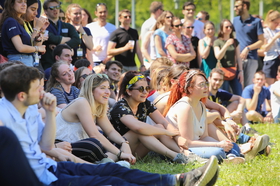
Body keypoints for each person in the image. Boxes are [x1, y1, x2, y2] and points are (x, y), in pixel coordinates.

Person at [0, 64, 220, 186]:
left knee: (111, 169)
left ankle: (175, 180)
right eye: (38, 88)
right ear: (21, 95)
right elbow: (95, 133)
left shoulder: (30, 110)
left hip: (53, 166)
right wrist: (120, 149)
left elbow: (46, 146)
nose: (43, 92)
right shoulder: (4, 120)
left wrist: (48, 114)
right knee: (110, 181)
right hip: (48, 175)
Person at [110, 71, 205, 163]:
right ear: (129, 91)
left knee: (159, 126)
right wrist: (166, 132)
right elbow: (138, 128)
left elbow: (164, 122)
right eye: (140, 89)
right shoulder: (120, 107)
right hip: (117, 150)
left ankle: (186, 154)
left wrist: (177, 137)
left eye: (147, 88)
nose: (145, 92)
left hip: (135, 152)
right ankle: (175, 156)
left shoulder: (144, 103)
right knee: (139, 132)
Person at [164, 69, 244, 161]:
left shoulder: (201, 105)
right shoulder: (184, 107)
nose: (206, 87)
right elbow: (188, 143)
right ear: (190, 89)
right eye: (202, 84)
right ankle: (231, 156)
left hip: (196, 145)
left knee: (232, 145)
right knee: (218, 152)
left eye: (206, 83)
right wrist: (218, 145)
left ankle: (231, 156)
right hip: (183, 149)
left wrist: (224, 144)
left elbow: (204, 137)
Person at [0, 0, 46, 66]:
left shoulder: (18, 22)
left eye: (25, 2)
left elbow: (31, 45)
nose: (24, 4)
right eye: (19, 2)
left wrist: (41, 30)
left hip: (25, 60)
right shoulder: (11, 21)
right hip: (19, 60)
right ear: (12, 5)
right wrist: (38, 48)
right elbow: (20, 48)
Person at [233, 0, 264, 87]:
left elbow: (261, 41)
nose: (234, 8)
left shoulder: (256, 22)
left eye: (237, 6)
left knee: (248, 86)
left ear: (244, 6)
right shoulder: (235, 20)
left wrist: (247, 48)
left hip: (251, 59)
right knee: (237, 86)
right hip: (237, 59)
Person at [41, 0, 79, 70]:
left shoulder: (68, 26)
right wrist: (68, 39)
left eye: (57, 7)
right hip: (48, 63)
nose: (55, 10)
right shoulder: (42, 25)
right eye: (52, 8)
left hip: (66, 65)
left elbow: (77, 40)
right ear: (46, 11)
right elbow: (52, 38)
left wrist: (61, 47)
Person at [213, 19, 243, 95]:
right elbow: (218, 56)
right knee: (223, 94)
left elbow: (238, 57)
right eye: (226, 27)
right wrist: (226, 45)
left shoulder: (235, 41)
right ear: (222, 28)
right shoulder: (217, 42)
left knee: (239, 94)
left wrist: (240, 71)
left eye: (231, 27)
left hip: (233, 70)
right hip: (222, 71)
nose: (229, 29)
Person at [261, 10, 280, 86]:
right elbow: (264, 48)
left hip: (278, 59)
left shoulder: (278, 30)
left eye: (278, 23)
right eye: (275, 23)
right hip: (270, 60)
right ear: (270, 21)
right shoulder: (264, 32)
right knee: (269, 86)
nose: (277, 25)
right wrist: (274, 38)